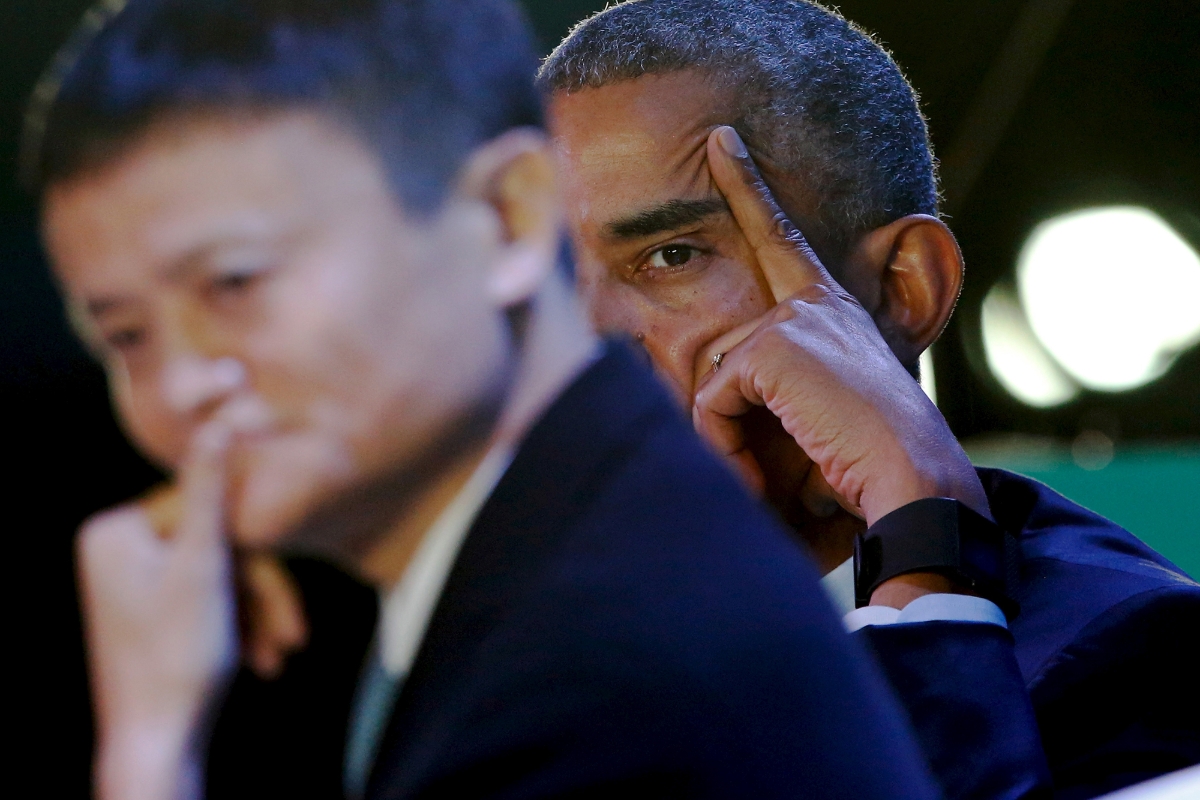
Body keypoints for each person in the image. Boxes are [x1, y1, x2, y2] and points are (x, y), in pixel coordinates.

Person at [26, 0, 945, 798]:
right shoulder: (581, 550)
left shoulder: (588, 674)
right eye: (127, 336)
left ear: (507, 217)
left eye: (234, 283)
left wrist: (149, 753)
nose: (184, 384)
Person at [538, 1, 1200, 798]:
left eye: (671, 255)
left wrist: (926, 546)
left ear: (900, 291)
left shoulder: (1129, 658)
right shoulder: (520, 676)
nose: (586, 344)